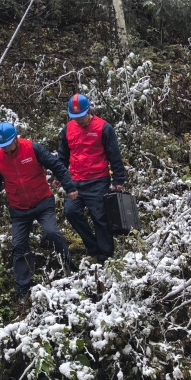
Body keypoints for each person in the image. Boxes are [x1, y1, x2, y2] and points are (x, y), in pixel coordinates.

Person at [0, 122, 78, 302]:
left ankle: (69, 267)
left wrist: (69, 187)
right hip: (19, 208)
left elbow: (56, 165)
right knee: (18, 245)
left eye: (8, 145)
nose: (5, 149)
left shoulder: (32, 148)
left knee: (51, 232)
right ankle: (23, 288)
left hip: (42, 201)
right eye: (2, 146)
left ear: (15, 139)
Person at [53, 94, 126, 265]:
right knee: (71, 211)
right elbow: (63, 155)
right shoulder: (68, 129)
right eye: (75, 117)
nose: (78, 120)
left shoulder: (104, 128)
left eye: (81, 116)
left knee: (100, 218)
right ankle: (93, 248)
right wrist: (59, 176)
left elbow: (114, 155)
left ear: (89, 111)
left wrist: (118, 179)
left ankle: (105, 256)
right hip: (75, 182)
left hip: (97, 180)